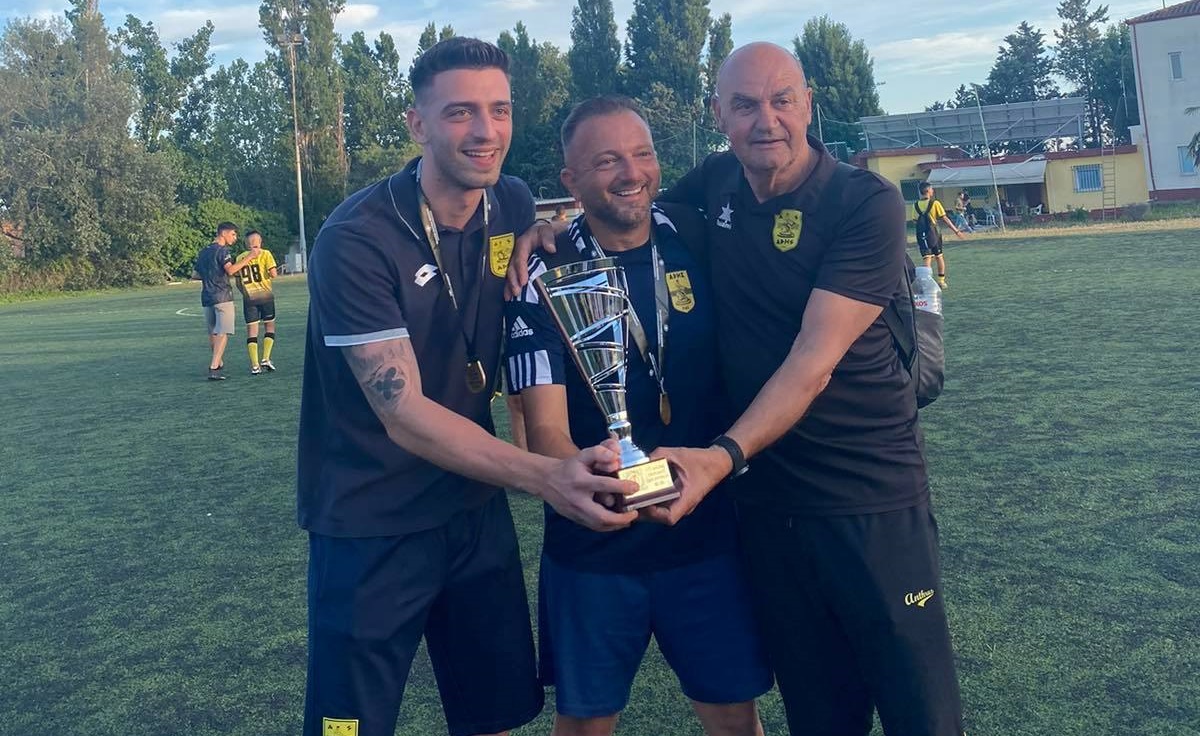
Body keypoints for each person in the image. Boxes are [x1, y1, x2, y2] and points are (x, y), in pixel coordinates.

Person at [507, 41, 964, 736]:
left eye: (782, 100)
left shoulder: (862, 201)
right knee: (820, 713)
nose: (766, 120)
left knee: (918, 709)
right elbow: (625, 205)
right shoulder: (715, 186)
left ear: (809, 104)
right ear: (719, 114)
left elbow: (812, 362)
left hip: (866, 493)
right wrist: (551, 229)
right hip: (765, 507)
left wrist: (719, 458)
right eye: (745, 104)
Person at [296, 37, 640, 736]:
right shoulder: (357, 237)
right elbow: (404, 412)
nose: (486, 131)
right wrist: (547, 475)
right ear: (417, 125)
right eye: (461, 112)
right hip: (370, 520)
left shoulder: (509, 201)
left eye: (499, 110)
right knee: (347, 728)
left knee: (493, 714)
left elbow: (540, 239)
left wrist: (541, 229)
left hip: (472, 507)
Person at [505, 95, 771, 736]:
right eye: (606, 161)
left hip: (705, 532)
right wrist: (599, 483)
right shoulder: (540, 271)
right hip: (593, 541)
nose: (631, 173)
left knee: (736, 720)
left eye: (643, 154)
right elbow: (545, 430)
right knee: (585, 725)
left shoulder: (695, 235)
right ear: (570, 180)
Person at [193, 222, 255, 380]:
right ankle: (214, 367)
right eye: (233, 234)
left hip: (207, 296)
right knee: (223, 332)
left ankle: (218, 363)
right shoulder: (222, 250)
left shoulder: (203, 251)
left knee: (213, 332)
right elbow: (231, 270)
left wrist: (210, 276)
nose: (235, 238)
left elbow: (195, 275)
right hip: (222, 296)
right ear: (224, 233)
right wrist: (250, 257)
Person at [234, 230, 279, 374]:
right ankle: (265, 358)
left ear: (246, 244)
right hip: (266, 296)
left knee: (252, 331)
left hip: (249, 298)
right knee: (269, 327)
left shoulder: (240, 257)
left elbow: (238, 282)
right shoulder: (265, 254)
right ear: (260, 242)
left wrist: (245, 293)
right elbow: (273, 274)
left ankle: (255, 365)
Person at [915, 181, 964, 289]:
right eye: (932, 189)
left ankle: (926, 282)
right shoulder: (935, 203)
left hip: (921, 234)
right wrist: (956, 231)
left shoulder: (916, 205)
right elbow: (945, 218)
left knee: (927, 258)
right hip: (934, 233)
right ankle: (941, 281)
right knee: (939, 256)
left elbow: (915, 220)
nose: (933, 191)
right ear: (928, 191)